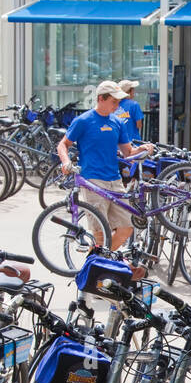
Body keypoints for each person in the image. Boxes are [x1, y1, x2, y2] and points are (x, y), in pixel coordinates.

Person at [56, 80, 155, 260]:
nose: (117, 106)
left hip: (115, 180)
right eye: (114, 102)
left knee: (126, 228)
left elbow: (128, 152)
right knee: (100, 233)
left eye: (118, 102)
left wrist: (143, 148)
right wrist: (65, 161)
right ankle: (96, 265)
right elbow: (63, 144)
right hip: (93, 180)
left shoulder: (117, 122)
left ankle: (98, 260)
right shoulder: (83, 121)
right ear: (101, 98)